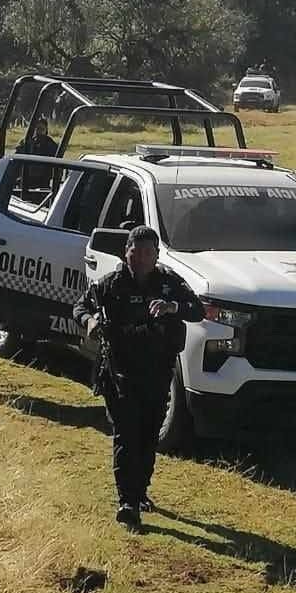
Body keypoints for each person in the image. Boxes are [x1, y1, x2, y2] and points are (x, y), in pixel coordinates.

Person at [73, 226, 203, 530]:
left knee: (148, 436)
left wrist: (173, 307)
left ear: (156, 256)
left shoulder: (169, 283)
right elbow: (80, 305)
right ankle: (127, 502)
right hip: (121, 374)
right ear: (126, 252)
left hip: (158, 374)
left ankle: (140, 490)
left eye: (148, 253)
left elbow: (197, 310)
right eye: (136, 252)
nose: (142, 259)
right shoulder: (111, 284)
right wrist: (90, 321)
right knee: (126, 436)